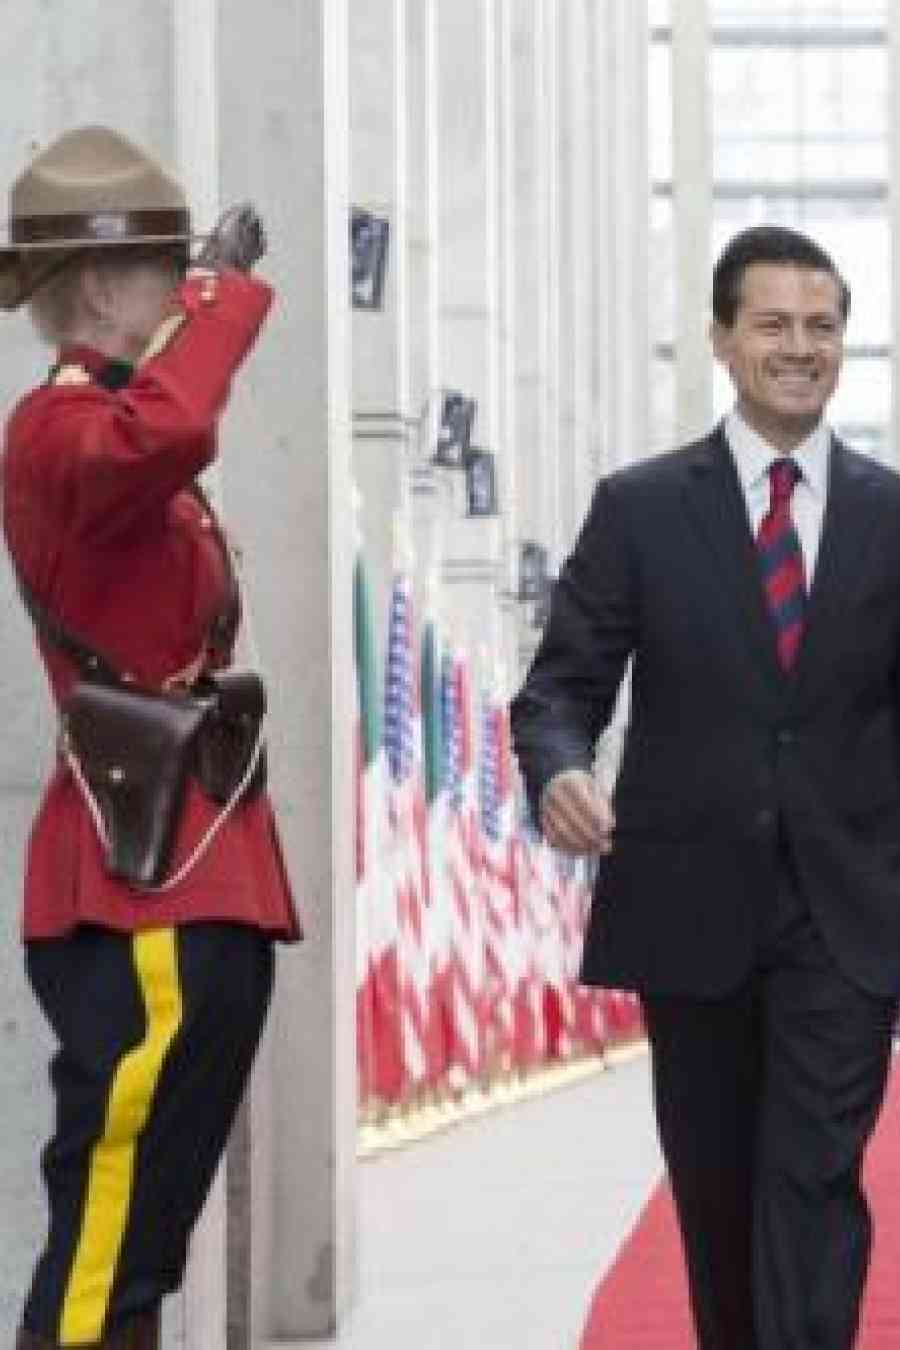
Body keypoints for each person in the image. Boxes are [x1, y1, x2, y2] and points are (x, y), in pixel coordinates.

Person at [510, 225, 900, 1350]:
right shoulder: (639, 508)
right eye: (773, 325)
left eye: (822, 327)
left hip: (846, 917)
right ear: (723, 341)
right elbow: (559, 689)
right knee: (717, 1203)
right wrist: (563, 768)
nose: (799, 348)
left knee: (814, 1186)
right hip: (690, 907)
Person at [1, 127, 296, 1350]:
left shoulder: (117, 426)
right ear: (104, 283)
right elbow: (169, 435)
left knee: (146, 1228)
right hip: (142, 887)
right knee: (112, 1227)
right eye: (168, 267)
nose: (184, 285)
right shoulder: (61, 428)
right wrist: (221, 307)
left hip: (187, 857)